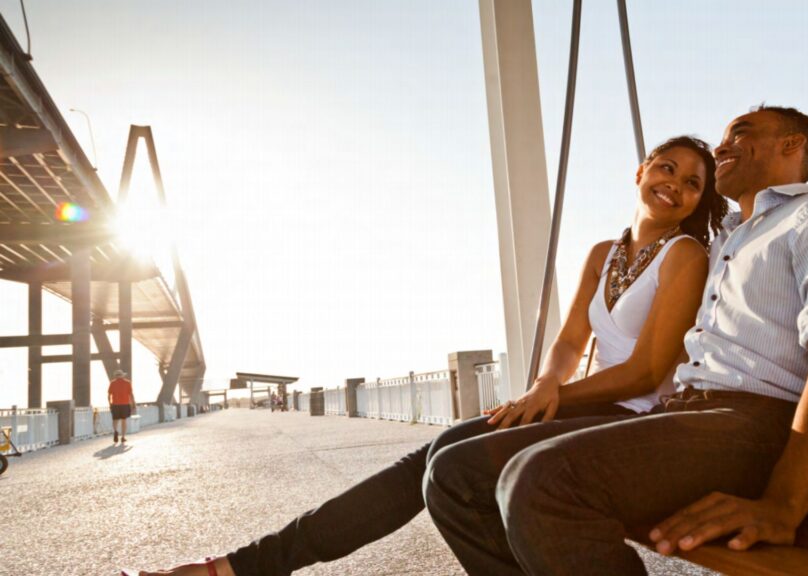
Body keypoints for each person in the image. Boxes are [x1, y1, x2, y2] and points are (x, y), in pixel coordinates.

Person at [124, 135, 729, 576]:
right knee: (437, 451)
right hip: (577, 407)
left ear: (699, 202)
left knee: (453, 471)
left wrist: (552, 397)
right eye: (666, 167)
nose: (673, 184)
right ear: (641, 170)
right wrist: (547, 382)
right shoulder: (604, 252)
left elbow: (650, 371)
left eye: (692, 183)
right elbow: (571, 341)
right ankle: (244, 567)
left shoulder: (684, 255)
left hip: (633, 420)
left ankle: (240, 571)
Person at [422, 105, 808, 575]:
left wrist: (784, 502)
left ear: (791, 144)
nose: (722, 146)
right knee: (457, 474)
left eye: (741, 132)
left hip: (756, 425)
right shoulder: (729, 241)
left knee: (542, 482)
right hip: (688, 416)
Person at [108, 369, 136, 446]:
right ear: (122, 375)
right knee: (124, 421)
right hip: (125, 404)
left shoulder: (112, 383)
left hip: (115, 404)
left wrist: (110, 404)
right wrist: (133, 404)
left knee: (115, 420)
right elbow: (131, 394)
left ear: (116, 376)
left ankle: (116, 431)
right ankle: (123, 437)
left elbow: (109, 395)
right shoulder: (127, 383)